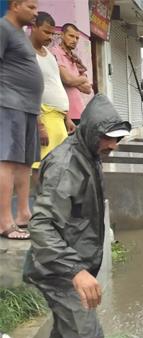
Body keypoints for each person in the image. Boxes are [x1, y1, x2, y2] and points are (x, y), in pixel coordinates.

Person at [23, 95, 131, 338]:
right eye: (108, 138)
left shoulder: (90, 153)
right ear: (93, 131)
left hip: (69, 266)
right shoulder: (65, 166)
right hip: (57, 271)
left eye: (117, 139)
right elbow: (41, 225)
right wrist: (76, 271)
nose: (113, 145)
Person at [0, 0, 42, 241]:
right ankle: (4, 221)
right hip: (9, 104)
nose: (35, 13)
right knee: (7, 160)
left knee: (26, 162)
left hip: (28, 108)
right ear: (15, 5)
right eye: (31, 7)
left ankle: (23, 213)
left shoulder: (20, 34)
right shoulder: (3, 28)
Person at [30, 12, 76, 169]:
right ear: (33, 27)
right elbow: (27, 91)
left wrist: (67, 117)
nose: (50, 37)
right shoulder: (26, 54)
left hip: (59, 120)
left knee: (60, 166)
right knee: (41, 167)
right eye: (46, 32)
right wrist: (39, 125)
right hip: (44, 118)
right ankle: (38, 194)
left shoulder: (49, 55)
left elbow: (56, 84)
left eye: (52, 33)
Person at [51, 23, 92, 125]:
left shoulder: (75, 58)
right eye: (71, 36)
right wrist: (83, 79)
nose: (74, 40)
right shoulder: (55, 52)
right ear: (62, 35)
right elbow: (67, 80)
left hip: (79, 111)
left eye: (77, 38)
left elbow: (88, 89)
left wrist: (74, 81)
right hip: (64, 113)